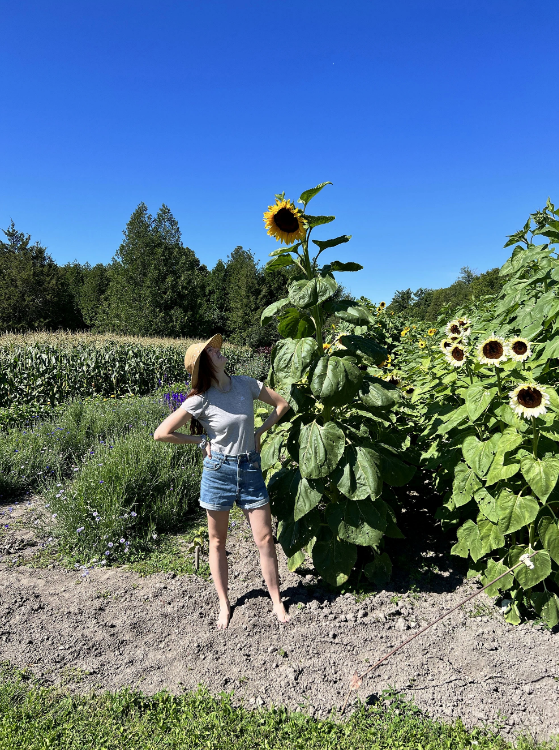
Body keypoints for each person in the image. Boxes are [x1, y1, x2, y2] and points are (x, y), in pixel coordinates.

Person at [154, 333, 291, 629]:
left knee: (265, 539)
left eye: (217, 349)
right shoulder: (200, 400)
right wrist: (200, 439)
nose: (219, 352)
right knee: (217, 542)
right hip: (218, 473)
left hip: (250, 469)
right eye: (212, 352)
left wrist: (259, 432)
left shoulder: (246, 384)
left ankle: (277, 600)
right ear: (204, 364)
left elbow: (282, 405)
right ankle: (223, 603)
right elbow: (161, 432)